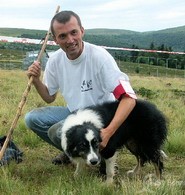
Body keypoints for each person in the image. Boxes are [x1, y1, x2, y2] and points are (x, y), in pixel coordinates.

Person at [25, 10, 137, 167]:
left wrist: (108, 132)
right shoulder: (55, 61)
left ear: (82, 31)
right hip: (75, 113)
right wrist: (36, 80)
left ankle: (101, 154)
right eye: (63, 36)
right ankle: (77, 152)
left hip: (101, 118)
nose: (70, 40)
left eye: (74, 32)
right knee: (32, 119)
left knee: (59, 131)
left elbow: (129, 99)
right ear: (56, 40)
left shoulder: (100, 57)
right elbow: (49, 97)